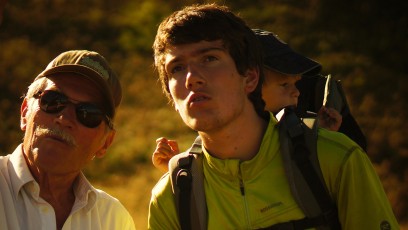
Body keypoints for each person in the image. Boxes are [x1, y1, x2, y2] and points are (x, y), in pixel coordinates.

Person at [148, 3, 398, 229]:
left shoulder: (335, 160)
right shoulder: (171, 198)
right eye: (177, 68)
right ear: (170, 94)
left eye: (209, 58)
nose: (192, 78)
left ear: (250, 77)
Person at [152, 29, 343, 173]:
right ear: (250, 82)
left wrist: (321, 136)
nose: (297, 94)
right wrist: (177, 170)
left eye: (296, 85)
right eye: (284, 85)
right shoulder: (216, 143)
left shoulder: (314, 137)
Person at [0, 50, 135, 230]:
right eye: (53, 100)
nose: (64, 119)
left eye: (88, 113)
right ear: (25, 112)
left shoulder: (114, 220)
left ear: (106, 143)